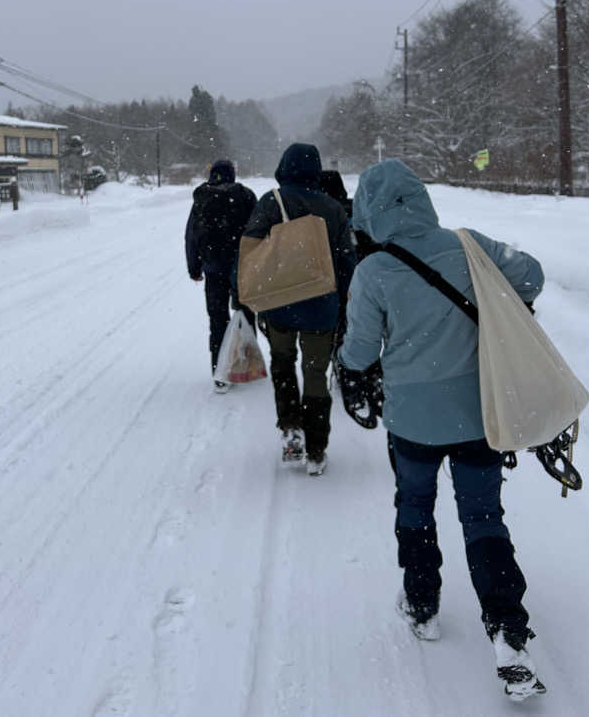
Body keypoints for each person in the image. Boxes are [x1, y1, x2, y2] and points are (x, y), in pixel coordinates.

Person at [339, 158, 546, 700]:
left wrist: (349, 360)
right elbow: (533, 275)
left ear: (371, 213)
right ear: (422, 199)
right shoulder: (469, 246)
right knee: (483, 517)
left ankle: (423, 603)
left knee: (415, 505)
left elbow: (360, 353)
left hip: (412, 422)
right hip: (478, 413)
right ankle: (507, 629)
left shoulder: (374, 272)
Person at [241, 143, 356, 474]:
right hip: (321, 305)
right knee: (315, 372)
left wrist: (246, 294)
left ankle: (290, 427)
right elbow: (347, 262)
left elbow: (249, 250)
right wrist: (346, 304)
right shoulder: (332, 208)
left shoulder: (270, 202)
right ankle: (317, 450)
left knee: (282, 364)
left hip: (278, 304)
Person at [185, 159, 257, 392]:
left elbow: (191, 236)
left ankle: (221, 373)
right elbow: (258, 230)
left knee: (218, 320)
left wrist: (194, 268)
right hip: (243, 268)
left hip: (213, 268)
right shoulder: (245, 196)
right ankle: (245, 365)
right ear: (232, 175)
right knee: (245, 314)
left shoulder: (202, 198)